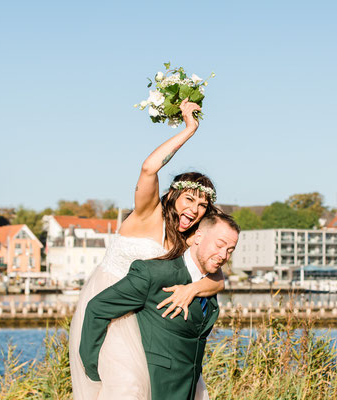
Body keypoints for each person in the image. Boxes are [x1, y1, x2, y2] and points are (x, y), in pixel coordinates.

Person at [69, 99, 222, 400]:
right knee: (127, 388)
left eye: (202, 205)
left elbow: (218, 280)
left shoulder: (188, 238)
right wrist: (190, 128)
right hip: (111, 310)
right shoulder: (146, 214)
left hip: (149, 317)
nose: (194, 209)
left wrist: (192, 290)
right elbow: (149, 167)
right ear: (174, 195)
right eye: (189, 200)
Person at [79, 213, 239, 400]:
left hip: (188, 389)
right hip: (153, 388)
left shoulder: (207, 284)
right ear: (198, 237)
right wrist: (93, 370)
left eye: (230, 250)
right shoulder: (154, 274)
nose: (223, 255)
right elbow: (97, 308)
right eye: (219, 245)